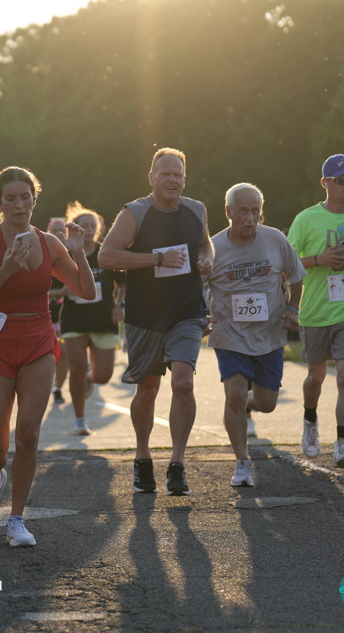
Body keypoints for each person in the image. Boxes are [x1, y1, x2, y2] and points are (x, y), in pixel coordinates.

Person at [0, 167, 94, 547]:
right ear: (0, 202)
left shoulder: (49, 243)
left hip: (38, 341)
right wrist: (6, 269)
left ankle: (17, 518)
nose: (19, 205)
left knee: (29, 433)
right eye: (11, 199)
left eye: (25, 198)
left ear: (35, 200)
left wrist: (78, 252)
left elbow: (85, 291)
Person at [98, 147, 213, 496]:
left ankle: (177, 463)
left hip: (187, 312)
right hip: (145, 315)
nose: (172, 180)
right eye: (165, 174)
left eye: (178, 174)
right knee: (147, 389)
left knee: (183, 383)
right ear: (151, 177)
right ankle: (143, 457)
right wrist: (155, 259)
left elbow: (205, 245)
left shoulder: (196, 209)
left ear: (184, 178)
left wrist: (207, 260)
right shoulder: (135, 212)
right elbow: (106, 256)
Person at [208, 184, 304, 486]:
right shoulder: (213, 247)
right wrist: (200, 315)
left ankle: (248, 403)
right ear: (228, 212)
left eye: (255, 211)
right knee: (234, 394)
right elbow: (196, 287)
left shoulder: (274, 239)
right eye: (243, 211)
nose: (249, 218)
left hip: (269, 333)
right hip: (229, 333)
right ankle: (242, 462)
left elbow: (297, 275)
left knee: (267, 403)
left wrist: (293, 309)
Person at [287, 154, 344, 468]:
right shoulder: (306, 219)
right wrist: (318, 260)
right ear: (325, 183)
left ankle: (342, 443)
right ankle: (310, 421)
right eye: (341, 180)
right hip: (315, 311)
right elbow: (288, 264)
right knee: (315, 377)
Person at [58, 202, 126, 434]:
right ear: (76, 229)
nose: (88, 229)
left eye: (92, 226)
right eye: (83, 225)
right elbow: (48, 287)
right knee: (76, 367)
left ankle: (90, 376)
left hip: (103, 319)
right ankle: (80, 419)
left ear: (98, 230)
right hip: (74, 320)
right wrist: (61, 292)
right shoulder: (65, 254)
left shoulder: (105, 254)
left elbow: (123, 283)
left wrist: (119, 305)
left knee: (103, 376)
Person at [46, 218, 70, 405]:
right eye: (54, 230)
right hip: (44, 316)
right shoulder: (41, 255)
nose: (58, 233)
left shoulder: (72, 256)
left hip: (67, 316)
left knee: (63, 354)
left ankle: (58, 389)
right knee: (47, 358)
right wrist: (59, 292)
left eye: (61, 230)